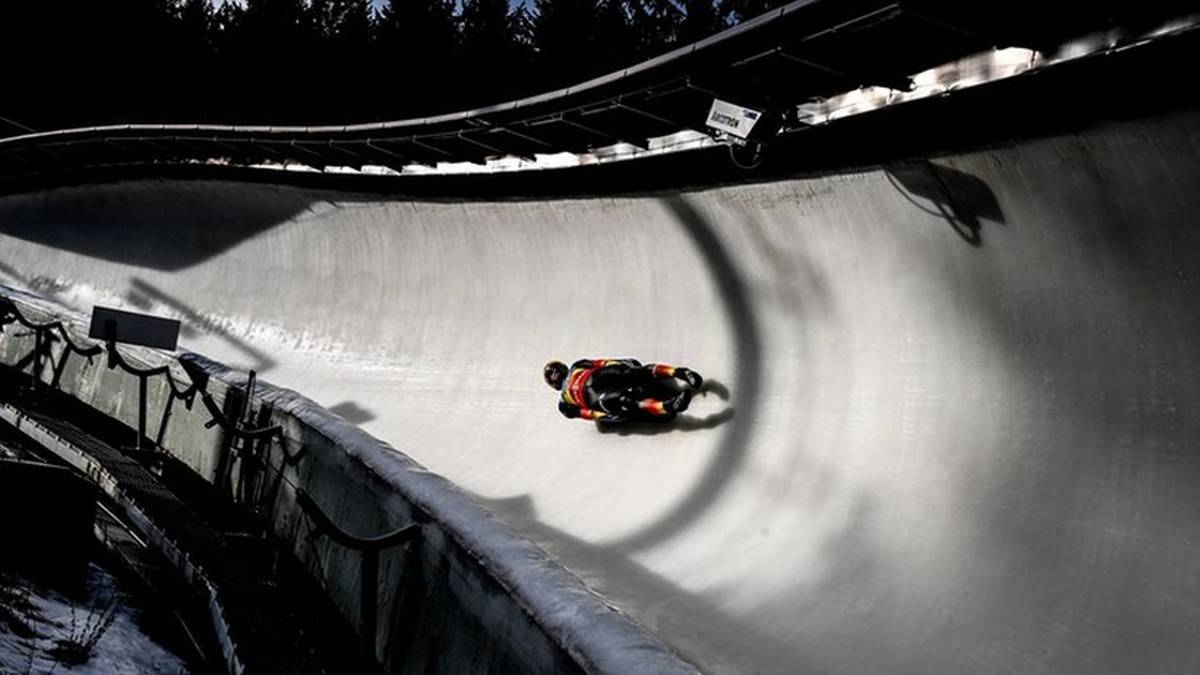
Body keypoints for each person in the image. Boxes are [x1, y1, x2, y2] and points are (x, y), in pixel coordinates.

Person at [544, 358, 703, 423]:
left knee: (631, 373)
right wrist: (604, 416)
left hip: (599, 377)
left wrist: (622, 363)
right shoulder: (564, 403)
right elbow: (585, 414)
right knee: (623, 400)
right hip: (595, 397)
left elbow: (602, 363)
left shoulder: (577, 366)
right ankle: (667, 406)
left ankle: (679, 372)